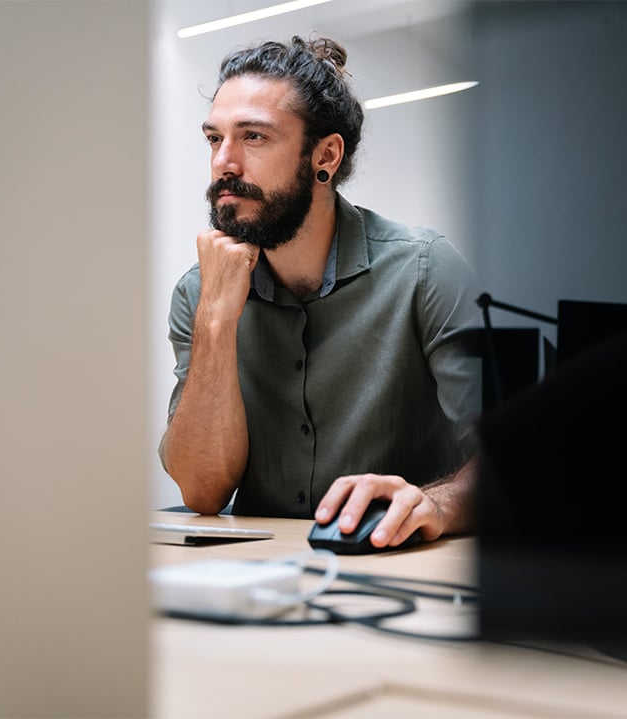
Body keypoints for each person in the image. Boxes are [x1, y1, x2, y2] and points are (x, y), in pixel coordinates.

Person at [159, 35, 481, 549]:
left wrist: (437, 504)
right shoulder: (198, 292)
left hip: (396, 563)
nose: (224, 162)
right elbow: (202, 490)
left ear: (325, 155)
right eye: (213, 139)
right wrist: (216, 320)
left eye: (254, 138)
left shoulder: (424, 270)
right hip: (259, 574)